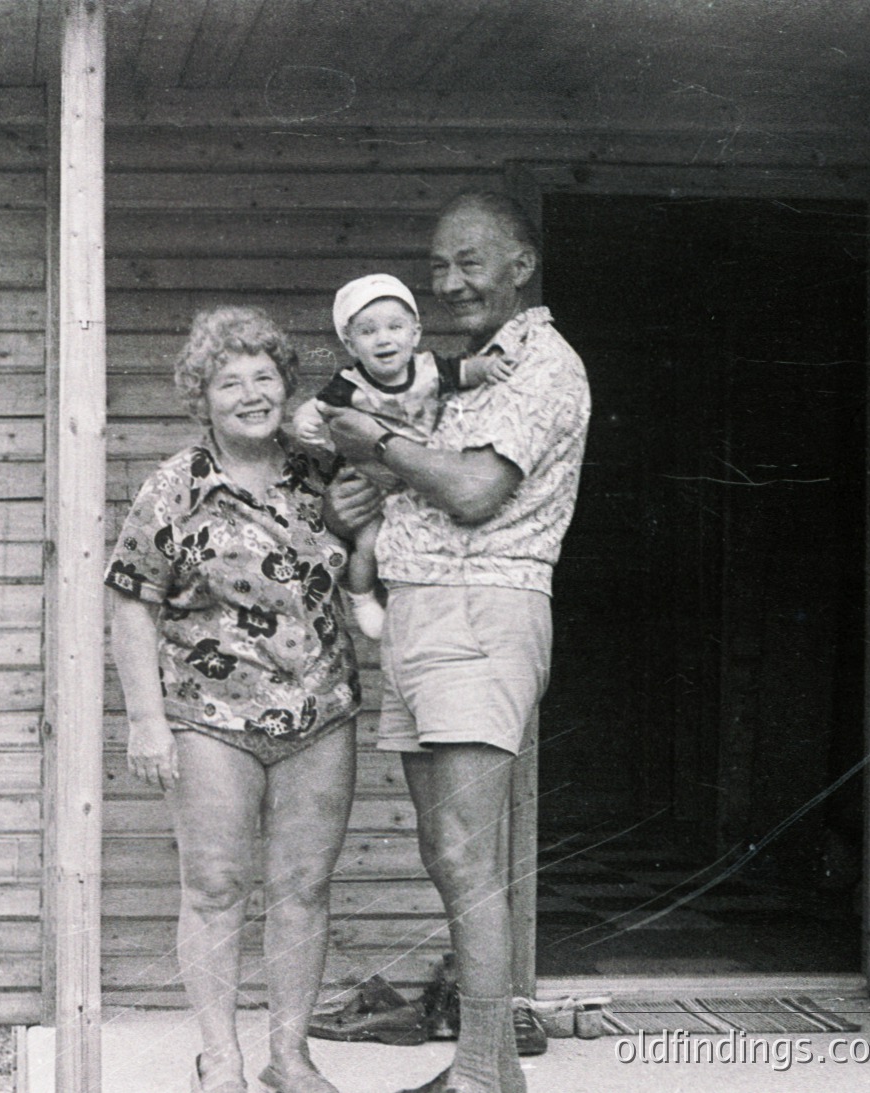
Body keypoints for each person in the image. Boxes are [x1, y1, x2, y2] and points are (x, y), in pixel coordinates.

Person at [323, 192, 591, 1093]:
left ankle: (485, 1077)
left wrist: (382, 448)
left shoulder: (543, 368)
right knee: (448, 854)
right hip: (420, 617)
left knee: (470, 857)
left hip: (483, 616)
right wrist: (355, 499)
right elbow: (416, 489)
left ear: (521, 264)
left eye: (469, 262)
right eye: (436, 266)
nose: (447, 283)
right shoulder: (470, 369)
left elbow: (474, 492)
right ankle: (480, 1067)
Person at [105, 305, 364, 1093]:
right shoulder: (175, 486)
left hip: (320, 713)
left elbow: (362, 569)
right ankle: (219, 1058)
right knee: (215, 888)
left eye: (264, 377)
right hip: (210, 720)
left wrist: (359, 526)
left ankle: (289, 1056)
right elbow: (130, 601)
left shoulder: (321, 471)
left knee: (303, 890)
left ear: (285, 385)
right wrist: (146, 719)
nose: (251, 394)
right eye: (230, 381)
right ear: (203, 396)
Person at [290, 273, 513, 637]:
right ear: (350, 343)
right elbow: (317, 406)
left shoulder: (429, 368)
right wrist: (305, 420)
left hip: (417, 472)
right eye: (368, 331)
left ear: (415, 333)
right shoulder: (350, 383)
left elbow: (464, 371)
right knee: (370, 541)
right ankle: (361, 595)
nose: (384, 338)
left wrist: (487, 367)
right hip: (371, 479)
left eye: (395, 326)